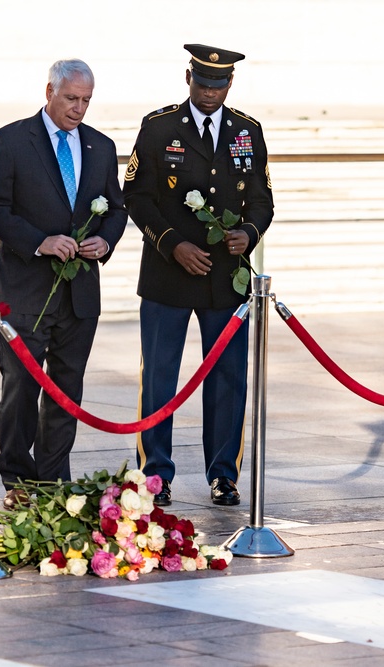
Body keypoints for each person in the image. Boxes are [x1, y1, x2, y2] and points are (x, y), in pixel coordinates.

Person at [123, 44, 274, 507]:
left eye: (219, 85)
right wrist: (172, 243)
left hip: (225, 279)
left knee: (229, 377)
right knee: (161, 376)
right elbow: (136, 195)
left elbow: (264, 202)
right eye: (203, 83)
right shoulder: (159, 127)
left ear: (231, 84)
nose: (210, 93)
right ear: (188, 77)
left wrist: (247, 233)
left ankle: (223, 475)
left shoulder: (247, 131)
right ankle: (156, 474)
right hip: (169, 275)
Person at [0, 59, 127, 506]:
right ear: (50, 91)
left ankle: (52, 481)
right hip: (24, 291)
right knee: (20, 390)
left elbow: (117, 209)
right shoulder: (12, 139)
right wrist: (41, 242)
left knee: (67, 390)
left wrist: (103, 241)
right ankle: (18, 481)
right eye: (71, 99)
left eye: (86, 100)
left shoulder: (101, 146)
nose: (79, 109)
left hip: (80, 294)